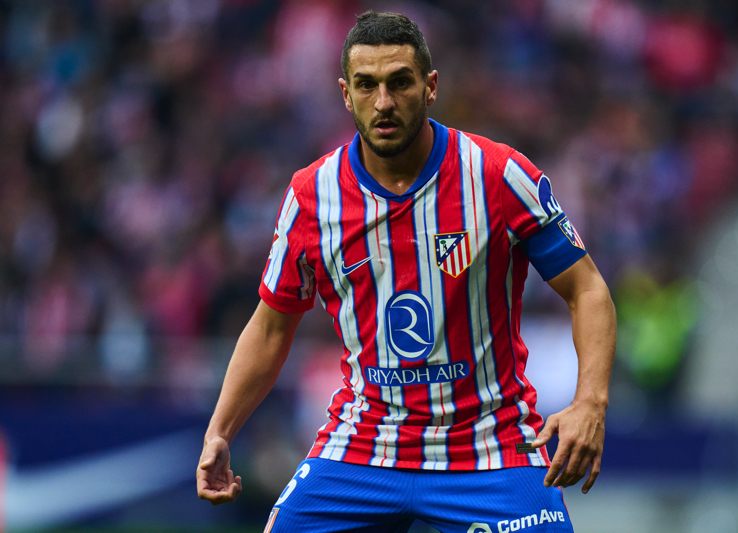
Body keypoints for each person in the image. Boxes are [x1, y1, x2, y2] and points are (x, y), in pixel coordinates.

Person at [197, 11, 616, 533]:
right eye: (366, 85)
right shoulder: (312, 196)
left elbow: (588, 290)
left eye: (399, 82)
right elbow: (269, 326)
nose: (384, 102)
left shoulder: (497, 175)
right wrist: (220, 431)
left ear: (430, 86)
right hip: (364, 445)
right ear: (346, 94)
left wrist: (590, 402)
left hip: (489, 445)